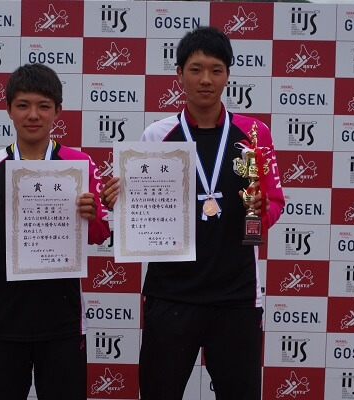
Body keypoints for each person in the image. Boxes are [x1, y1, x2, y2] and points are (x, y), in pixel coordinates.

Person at [100, 27, 284, 400]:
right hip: (172, 293)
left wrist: (263, 210)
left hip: (237, 294)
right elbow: (138, 205)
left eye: (216, 70)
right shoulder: (158, 135)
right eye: (196, 69)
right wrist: (115, 202)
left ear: (228, 75)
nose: (206, 80)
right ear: (179, 74)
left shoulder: (254, 133)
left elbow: (275, 200)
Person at [0, 63, 110, 399]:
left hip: (62, 319)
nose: (33, 115)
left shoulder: (79, 164)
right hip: (3, 318)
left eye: (43, 106)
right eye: (23, 105)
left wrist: (92, 216)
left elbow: (99, 234)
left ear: (58, 111)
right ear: (8, 109)